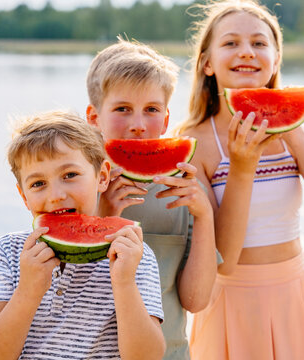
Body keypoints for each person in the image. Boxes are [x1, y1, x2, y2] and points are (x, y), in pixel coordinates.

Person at [175, 0, 304, 358]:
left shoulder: (294, 134)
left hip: (296, 296)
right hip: (231, 302)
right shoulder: (196, 144)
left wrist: (292, 128)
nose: (247, 52)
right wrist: (241, 169)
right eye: (231, 43)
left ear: (275, 61)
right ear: (207, 63)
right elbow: (221, 258)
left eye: (259, 43)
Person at [0, 111, 165, 359]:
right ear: (23, 196)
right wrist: (28, 290)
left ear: (102, 176)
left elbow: (147, 356)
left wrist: (124, 282)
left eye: (70, 175)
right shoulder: (10, 251)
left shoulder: (131, 253)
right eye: (38, 184)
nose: (55, 195)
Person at [85, 38, 217, 360]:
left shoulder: (182, 192)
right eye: (122, 109)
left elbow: (196, 300)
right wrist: (103, 217)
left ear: (167, 119)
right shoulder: (73, 187)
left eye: (151, 110)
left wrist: (204, 217)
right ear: (93, 117)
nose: (139, 126)